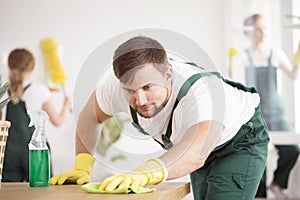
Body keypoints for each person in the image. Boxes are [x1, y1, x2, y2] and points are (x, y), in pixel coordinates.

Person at [50, 36, 269, 199]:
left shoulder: (201, 93)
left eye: (148, 87)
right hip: (194, 144)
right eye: (130, 90)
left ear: (168, 75)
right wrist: (82, 165)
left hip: (239, 140)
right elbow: (90, 116)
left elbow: (195, 152)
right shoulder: (116, 87)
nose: (140, 100)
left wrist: (145, 173)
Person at [233, 13, 300, 198]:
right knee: (257, 155)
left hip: (277, 114)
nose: (262, 32)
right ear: (249, 32)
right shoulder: (243, 57)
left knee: (294, 149)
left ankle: (278, 181)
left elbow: (293, 75)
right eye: (258, 28)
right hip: (256, 114)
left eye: (264, 28)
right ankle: (259, 195)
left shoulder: (275, 53)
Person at [2, 48, 72, 182]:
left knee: (9, 192)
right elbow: (57, 121)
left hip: (8, 152)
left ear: (10, 65)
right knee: (39, 192)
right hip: (35, 151)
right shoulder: (39, 90)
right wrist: (66, 105)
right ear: (31, 68)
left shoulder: (2, 91)